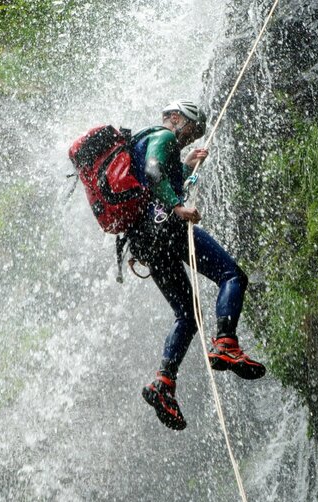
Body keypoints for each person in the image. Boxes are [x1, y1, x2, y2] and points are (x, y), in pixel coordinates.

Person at [128, 100, 265, 431]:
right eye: (190, 129)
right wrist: (178, 208)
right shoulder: (162, 135)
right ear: (176, 118)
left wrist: (187, 167)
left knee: (187, 316)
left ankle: (163, 383)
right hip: (168, 227)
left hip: (147, 241)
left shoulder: (149, 144)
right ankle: (226, 343)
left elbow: (157, 178)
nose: (190, 137)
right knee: (232, 275)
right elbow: (153, 173)